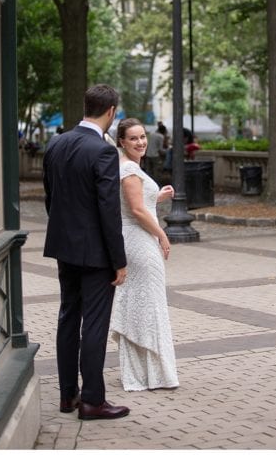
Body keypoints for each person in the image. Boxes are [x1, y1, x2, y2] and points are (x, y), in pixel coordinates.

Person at [42, 84, 130, 421]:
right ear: (110, 112)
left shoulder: (57, 143)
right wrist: (118, 261)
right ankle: (93, 400)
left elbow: (51, 198)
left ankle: (68, 396)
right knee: (94, 325)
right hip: (95, 253)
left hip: (64, 248)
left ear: (86, 106)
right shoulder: (103, 151)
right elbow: (109, 210)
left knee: (68, 318)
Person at [110, 118, 178, 391]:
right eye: (133, 138)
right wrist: (161, 233)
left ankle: (150, 370)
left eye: (142, 137)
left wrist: (157, 197)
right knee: (146, 303)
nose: (140, 142)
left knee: (146, 302)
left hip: (139, 237)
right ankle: (146, 372)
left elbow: (138, 203)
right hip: (139, 241)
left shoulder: (130, 167)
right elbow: (137, 211)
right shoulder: (128, 168)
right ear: (122, 142)